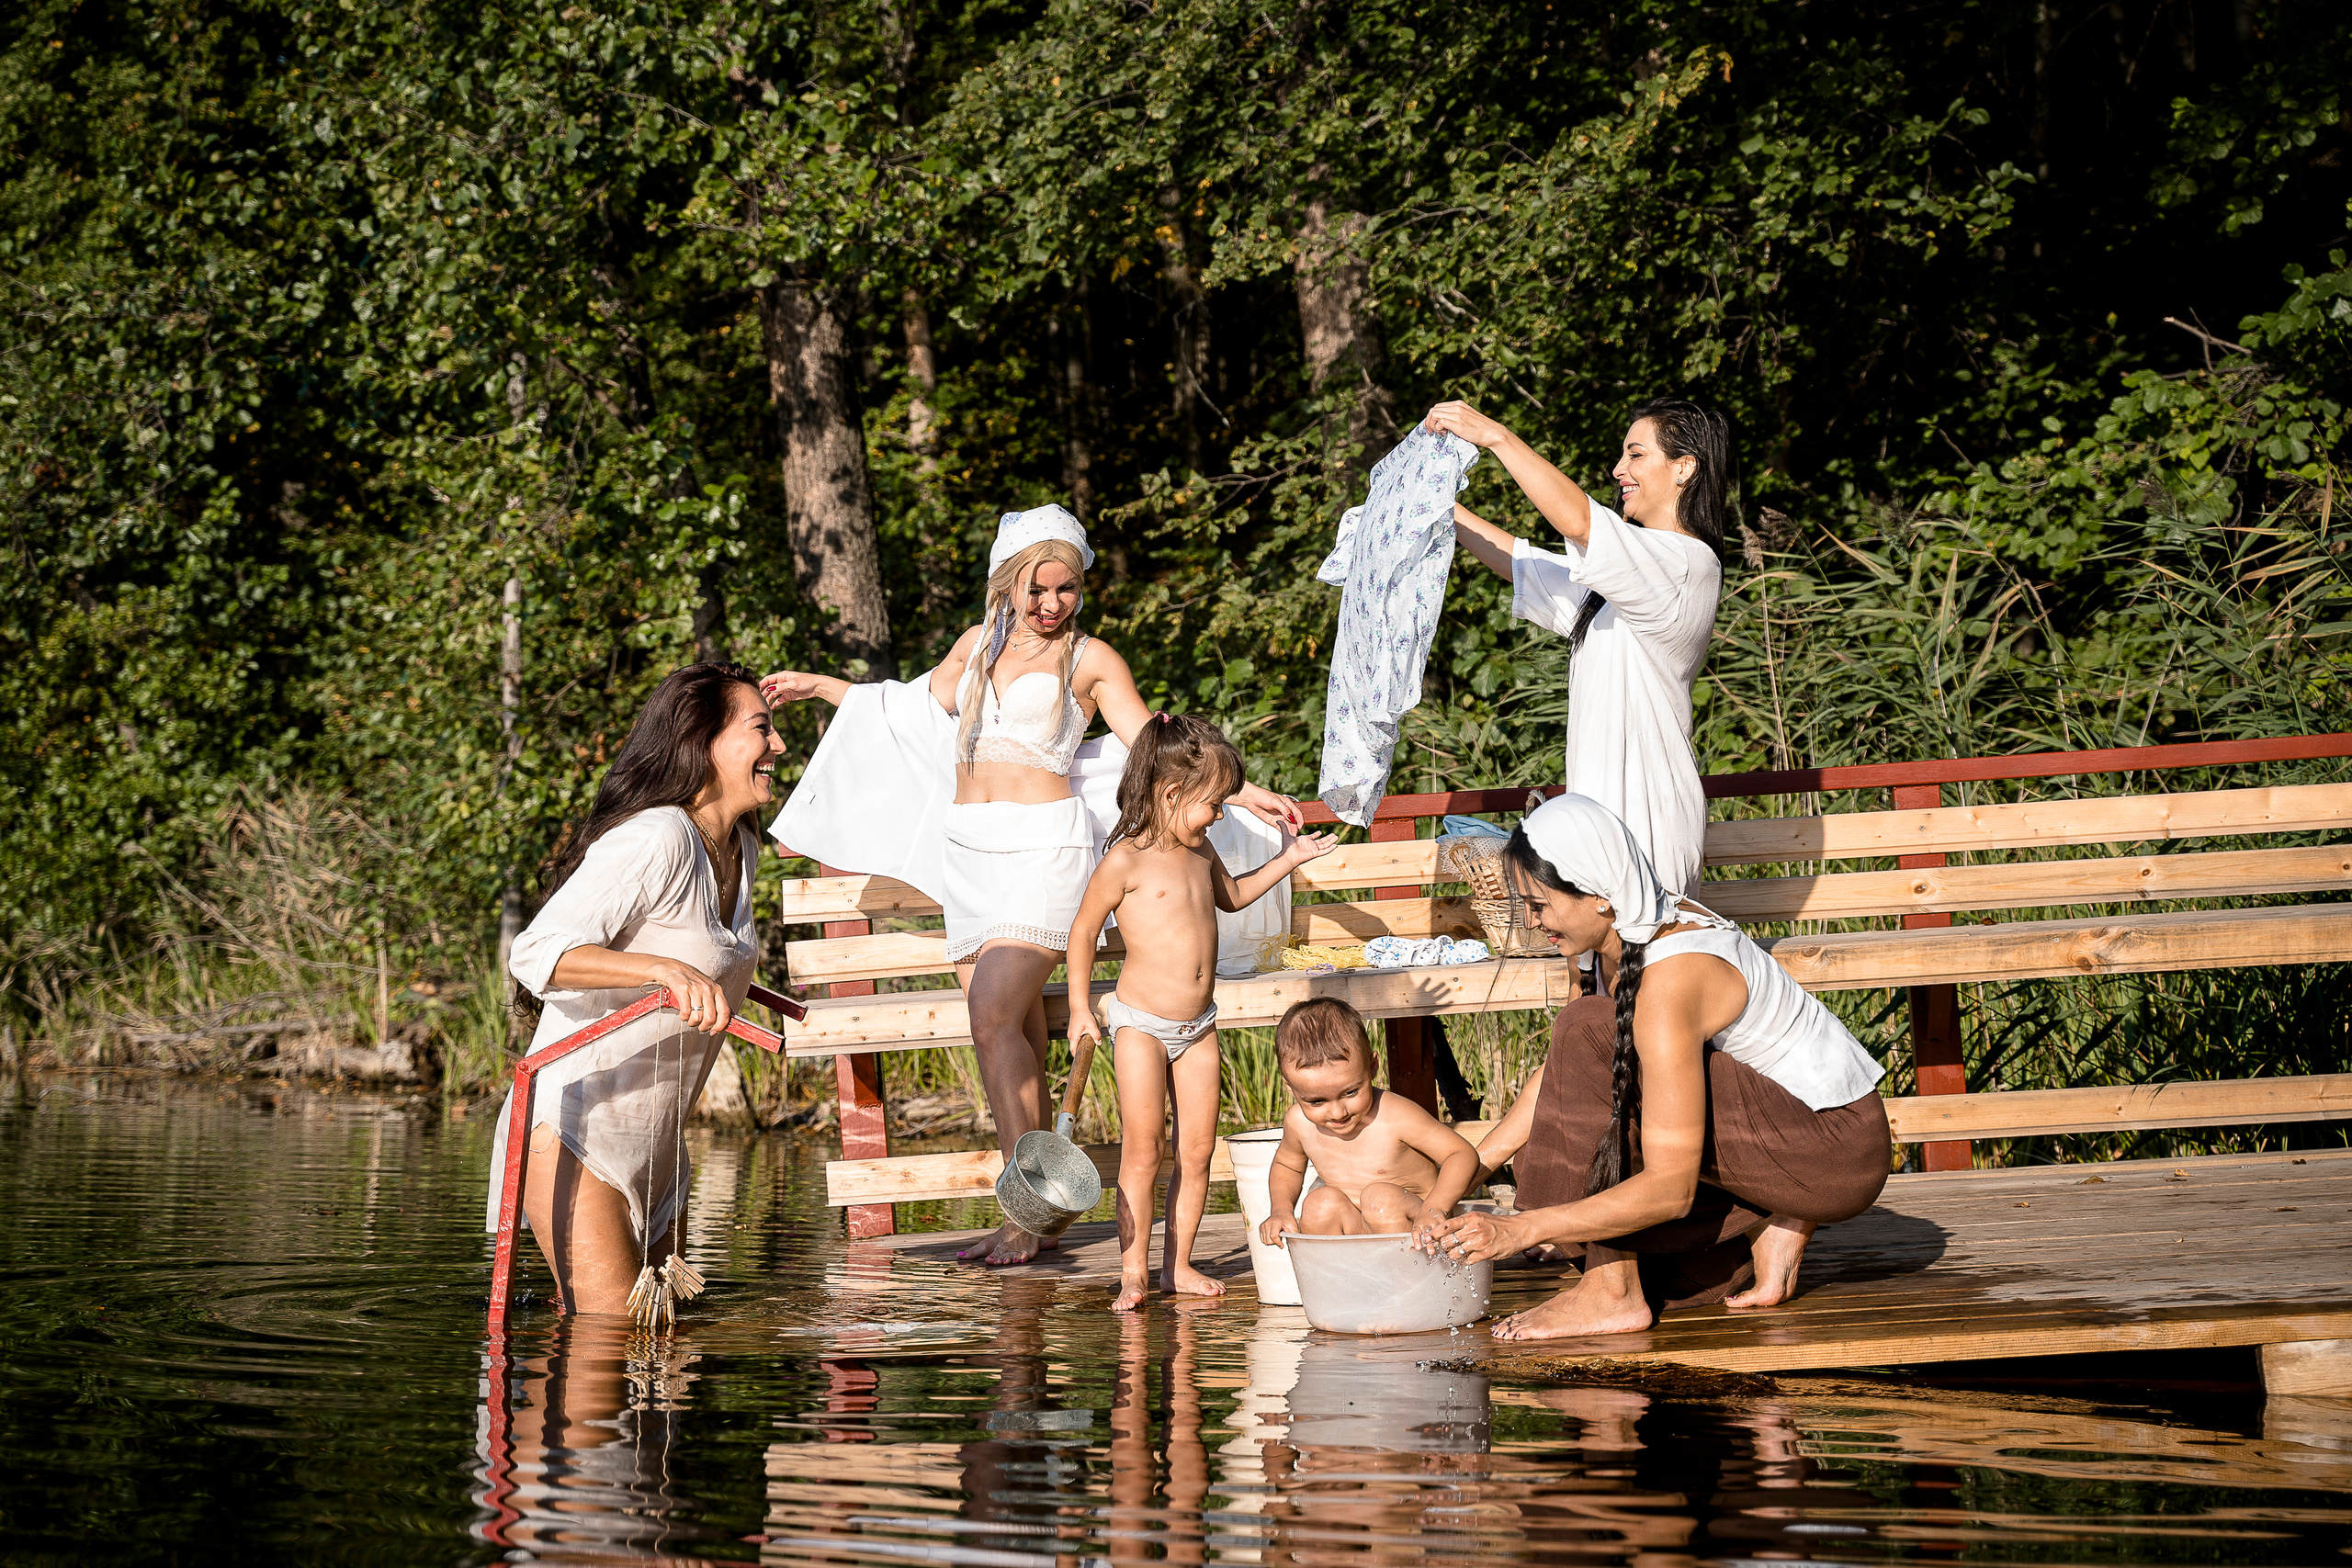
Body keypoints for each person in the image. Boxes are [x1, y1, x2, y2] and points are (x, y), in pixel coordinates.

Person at [762, 505, 1302, 1267]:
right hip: (969, 854)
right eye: (1039, 589)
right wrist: (824, 686)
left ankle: (1022, 1217)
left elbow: (1150, 741)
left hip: (1042, 850)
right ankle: (1037, 1208)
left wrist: (1241, 792)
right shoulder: (978, 644)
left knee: (989, 1014)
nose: (1052, 605)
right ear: (1009, 582)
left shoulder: (1092, 660)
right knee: (1009, 1034)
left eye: (1068, 590)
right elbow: (909, 708)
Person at [1424, 795, 1892, 1339]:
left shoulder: (1672, 976)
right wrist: (1464, 1173)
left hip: (1832, 1150)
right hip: (1783, 1140)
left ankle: (1609, 1294)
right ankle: (1764, 1222)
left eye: (1539, 904)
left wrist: (1522, 1228)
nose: (1531, 921)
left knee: (1584, 1027)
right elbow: (1563, 1078)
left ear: (1597, 893)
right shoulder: (1621, 925)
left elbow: (1669, 1188)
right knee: (1682, 1281)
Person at [489, 662, 785, 1317]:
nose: (779, 747)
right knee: (613, 1340)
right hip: (573, 1134)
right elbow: (534, 952)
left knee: (659, 1355)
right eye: (762, 728)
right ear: (701, 741)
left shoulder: (741, 846)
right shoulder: (658, 836)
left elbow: (699, 953)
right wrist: (661, 970)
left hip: (658, 1149)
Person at [1066, 714, 1337, 1312]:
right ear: (1170, 794)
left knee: (1197, 1151)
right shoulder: (1126, 861)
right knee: (1144, 1151)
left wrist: (1292, 859)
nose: (1219, 814)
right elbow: (1083, 931)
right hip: (1140, 1024)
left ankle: (1177, 1264)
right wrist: (1081, 1008)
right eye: (1213, 803)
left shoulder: (1200, 848)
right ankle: (1132, 1269)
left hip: (1198, 1026)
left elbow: (1233, 895)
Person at [1422, 398, 1730, 897]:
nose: (1618, 470)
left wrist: (1496, 436)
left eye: (1635, 455)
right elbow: (1524, 564)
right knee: (1591, 978)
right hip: (1595, 836)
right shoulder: (1624, 585)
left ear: (1684, 467)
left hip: (1646, 829)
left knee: (1643, 975)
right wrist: (1438, 507)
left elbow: (1580, 523)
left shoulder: (1688, 565)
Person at [1255, 998, 1481, 1250]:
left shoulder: (1395, 1114)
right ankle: (1337, 1285)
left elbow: (1461, 1153)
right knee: (1318, 1204)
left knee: (1379, 1199)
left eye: (1351, 1093)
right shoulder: (1298, 1122)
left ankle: (1407, 1283)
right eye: (1317, 1101)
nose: (1338, 1112)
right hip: (1360, 1233)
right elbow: (1288, 1165)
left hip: (1420, 1230)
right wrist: (1281, 1210)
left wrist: (1435, 1208)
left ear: (1372, 1067)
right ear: (1290, 1087)